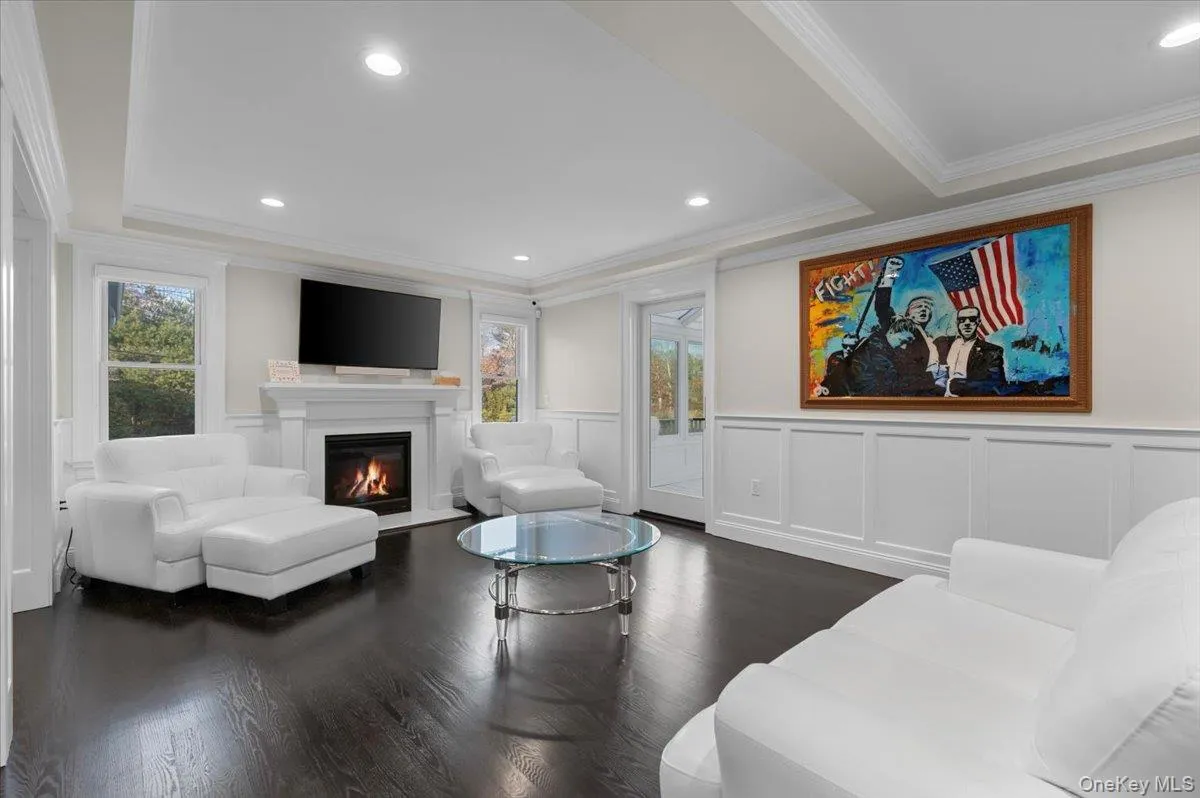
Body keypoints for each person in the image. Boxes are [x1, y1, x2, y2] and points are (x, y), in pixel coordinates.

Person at [874, 256, 938, 374]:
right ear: (908, 312)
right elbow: (881, 306)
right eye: (918, 306)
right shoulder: (896, 325)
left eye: (927, 307)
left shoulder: (930, 337)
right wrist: (890, 273)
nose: (923, 309)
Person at [847, 316, 937, 396]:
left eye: (907, 343)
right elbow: (892, 380)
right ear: (891, 332)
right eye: (902, 341)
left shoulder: (885, 347)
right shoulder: (875, 349)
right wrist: (927, 379)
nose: (904, 346)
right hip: (869, 397)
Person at [933, 306, 1007, 396]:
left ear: (978, 322)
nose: (967, 323)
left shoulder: (991, 350)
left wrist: (953, 386)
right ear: (957, 322)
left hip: (970, 401)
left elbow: (993, 384)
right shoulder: (942, 344)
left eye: (972, 319)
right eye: (962, 320)